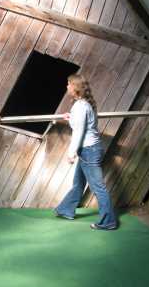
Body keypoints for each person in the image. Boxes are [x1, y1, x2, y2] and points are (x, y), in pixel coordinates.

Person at [54, 74, 118, 230]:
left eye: (69, 84)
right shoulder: (82, 105)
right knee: (79, 182)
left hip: (89, 151)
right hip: (89, 150)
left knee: (98, 187)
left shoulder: (81, 107)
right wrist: (71, 118)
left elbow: (80, 132)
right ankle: (65, 210)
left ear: (75, 88)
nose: (67, 87)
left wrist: (71, 152)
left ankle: (108, 221)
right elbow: (80, 125)